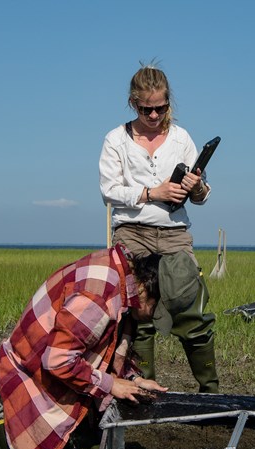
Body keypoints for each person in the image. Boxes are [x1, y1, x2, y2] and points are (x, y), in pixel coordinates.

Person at [0, 245, 199, 449]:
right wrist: (111, 385)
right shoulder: (99, 296)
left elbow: (96, 347)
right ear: (146, 290)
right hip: (26, 389)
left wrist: (132, 379)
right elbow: (58, 360)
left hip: (66, 388)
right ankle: (2, 445)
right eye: (156, 311)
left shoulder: (124, 278)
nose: (151, 319)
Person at [99, 63, 218, 393]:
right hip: (131, 232)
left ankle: (211, 392)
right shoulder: (115, 140)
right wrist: (153, 193)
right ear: (133, 104)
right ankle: (141, 389)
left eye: (160, 108)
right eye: (146, 109)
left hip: (173, 233)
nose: (153, 116)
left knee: (190, 309)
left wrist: (196, 187)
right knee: (138, 316)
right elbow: (109, 191)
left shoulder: (181, 139)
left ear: (169, 103)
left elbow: (201, 197)